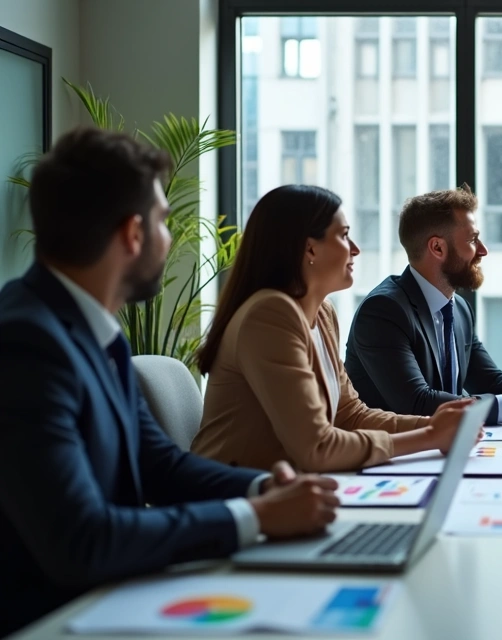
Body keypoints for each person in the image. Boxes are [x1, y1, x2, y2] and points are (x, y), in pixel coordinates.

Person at [0, 128, 340, 637]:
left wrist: (265, 486)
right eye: (163, 221)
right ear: (132, 234)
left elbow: (158, 464)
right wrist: (256, 518)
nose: (169, 236)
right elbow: (80, 539)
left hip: (112, 596)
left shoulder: (93, 327)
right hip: (55, 619)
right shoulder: (27, 343)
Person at [192, 185, 474, 473]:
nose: (355, 249)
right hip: (235, 498)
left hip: (288, 491)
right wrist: (429, 436)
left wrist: (434, 425)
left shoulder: (323, 313)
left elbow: (351, 416)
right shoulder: (269, 314)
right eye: (343, 235)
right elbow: (318, 448)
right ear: (310, 248)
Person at [344, 186, 502, 425]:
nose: (483, 250)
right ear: (437, 248)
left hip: (441, 450)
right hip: (394, 455)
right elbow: (416, 403)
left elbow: (489, 380)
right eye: (472, 240)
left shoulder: (459, 309)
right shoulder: (383, 311)